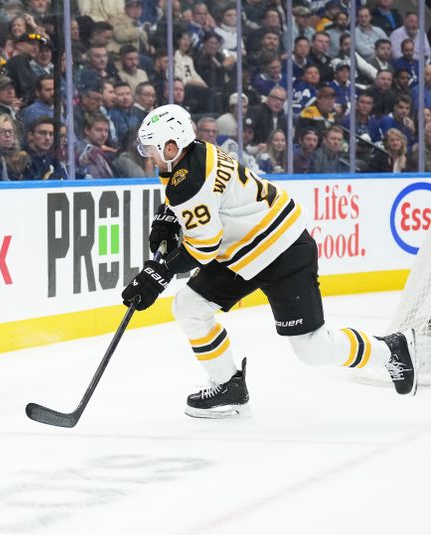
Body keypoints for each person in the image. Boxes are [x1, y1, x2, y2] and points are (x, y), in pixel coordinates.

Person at [121, 104, 417, 419]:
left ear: (171, 146)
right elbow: (195, 204)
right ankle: (229, 386)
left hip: (282, 250)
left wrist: (159, 274)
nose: (147, 154)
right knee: (189, 306)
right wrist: (169, 218)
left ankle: (391, 349)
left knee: (312, 349)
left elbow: (205, 247)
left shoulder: (190, 179)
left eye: (151, 147)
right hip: (243, 251)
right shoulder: (193, 153)